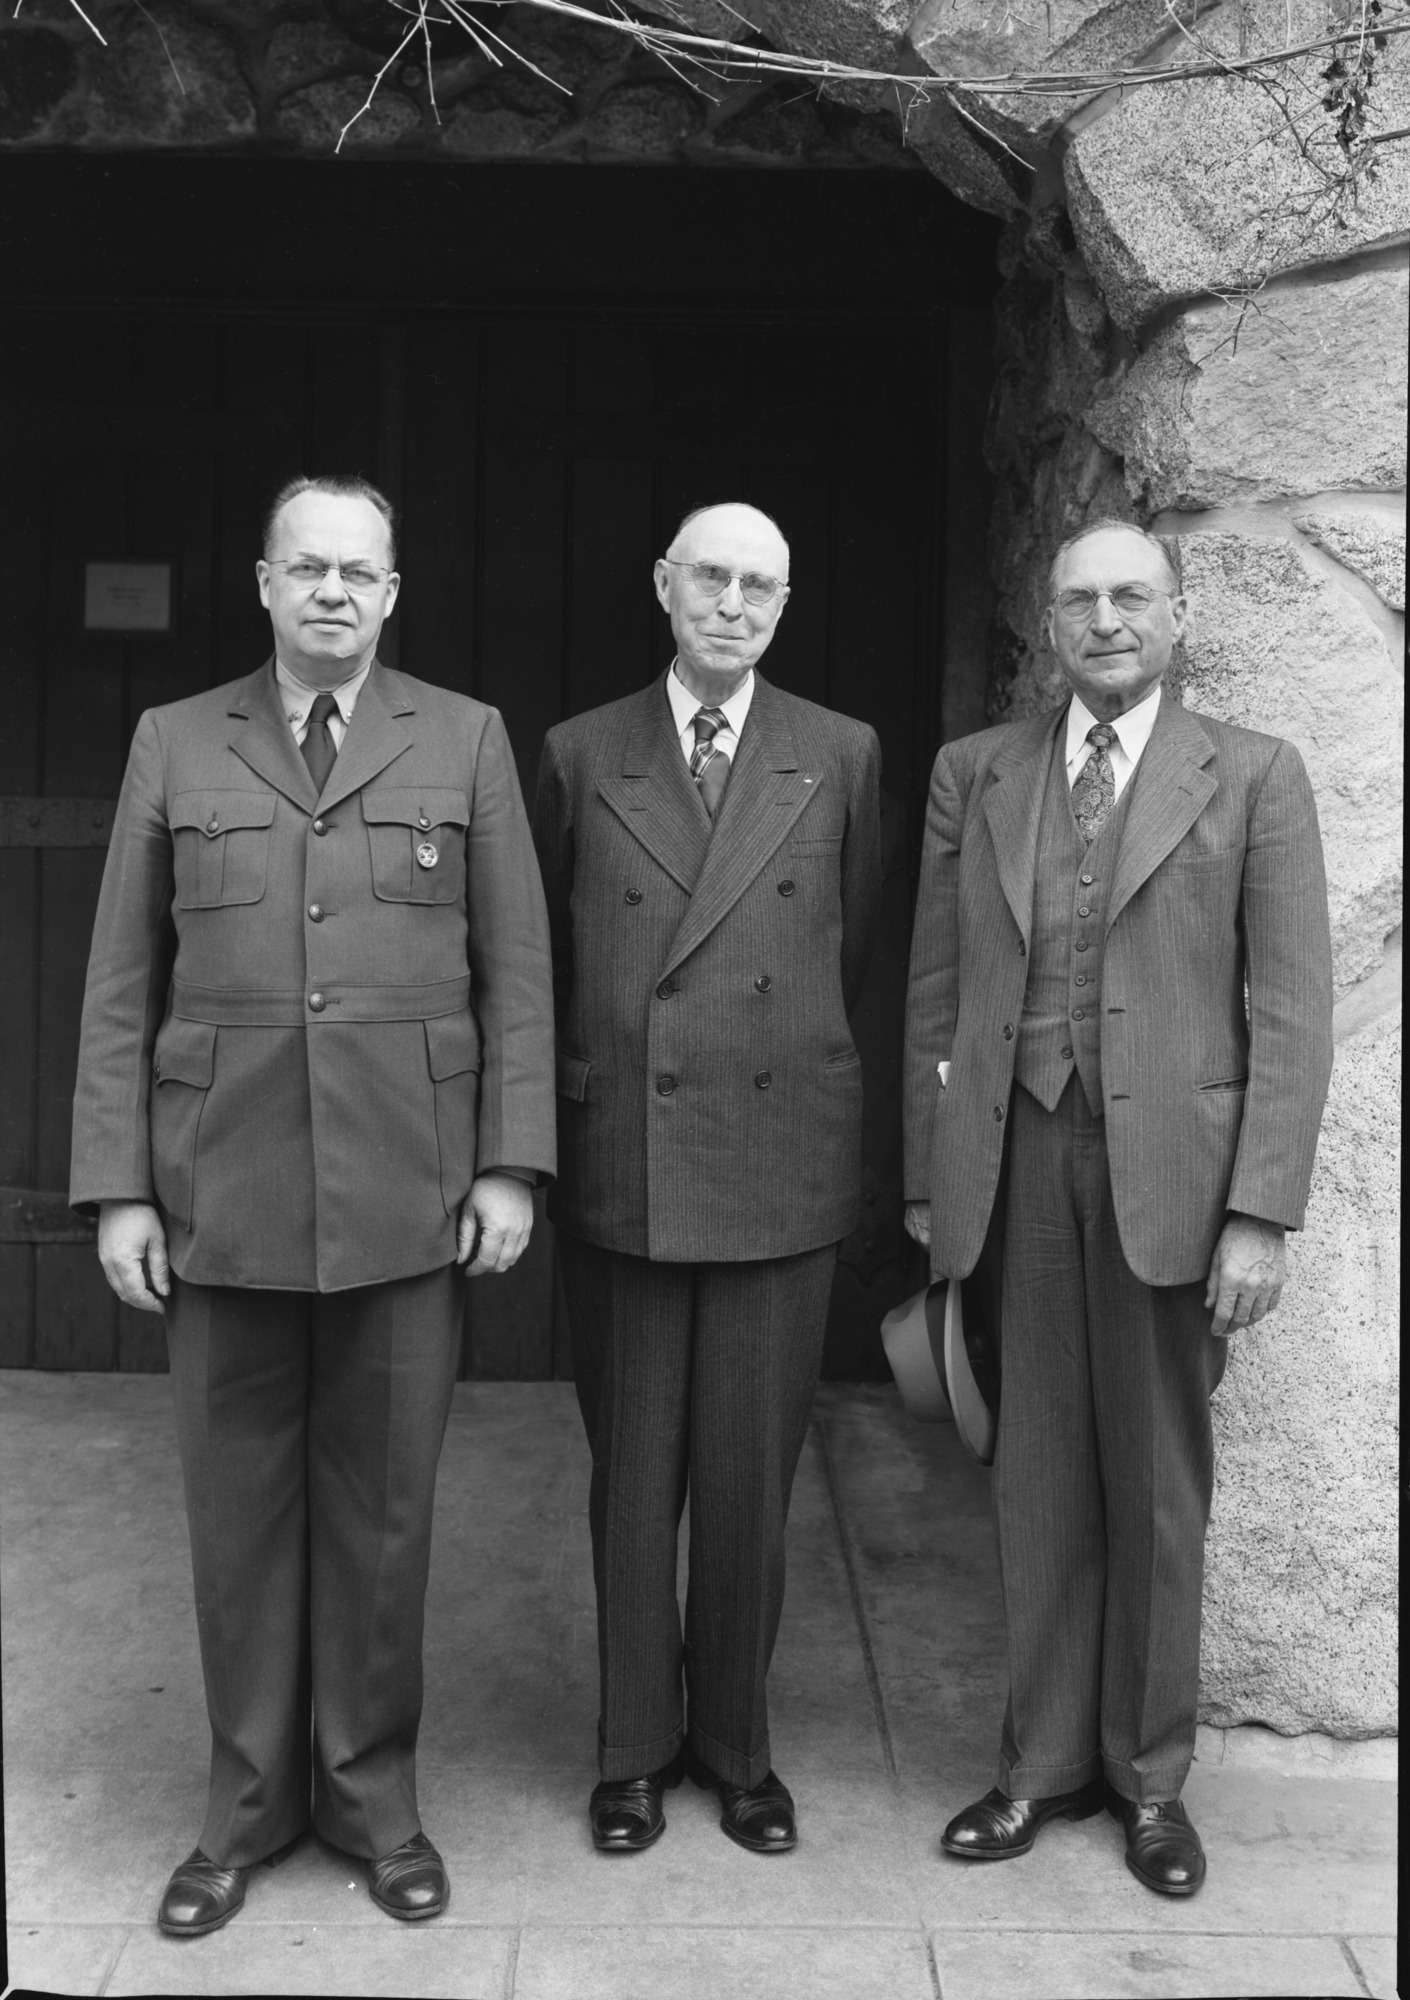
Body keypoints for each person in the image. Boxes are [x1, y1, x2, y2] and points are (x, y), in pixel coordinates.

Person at [69, 473, 556, 1935]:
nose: (334, 591)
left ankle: (371, 1803)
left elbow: (516, 973)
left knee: (385, 1519)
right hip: (222, 1195)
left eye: (360, 571)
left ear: (393, 595)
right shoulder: (175, 740)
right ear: (266, 587)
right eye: (309, 568)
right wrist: (117, 1191)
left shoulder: (464, 739)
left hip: (408, 1193)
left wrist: (506, 1162)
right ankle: (240, 1815)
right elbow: (115, 987)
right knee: (237, 1524)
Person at [902, 519, 1333, 1896]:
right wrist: (929, 1178)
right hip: (1016, 1160)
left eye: (1130, 596)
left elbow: (1287, 1003)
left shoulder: (1254, 775)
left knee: (1154, 1487)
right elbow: (930, 993)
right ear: (1046, 616)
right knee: (1033, 1473)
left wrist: (1259, 1210)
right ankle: (1037, 1767)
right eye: (1078, 597)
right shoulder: (975, 772)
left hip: (1174, 1181)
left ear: (1176, 613)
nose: (1103, 620)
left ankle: (1148, 1784)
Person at [533, 502, 881, 1855]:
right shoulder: (578, 752)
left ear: (781, 606)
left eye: (759, 587)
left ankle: (737, 1748)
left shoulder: (839, 754)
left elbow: (853, 944)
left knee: (748, 1478)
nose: (732, 604)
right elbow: (549, 959)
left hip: (773, 1162)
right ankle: (630, 1754)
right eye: (710, 580)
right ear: (663, 586)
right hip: (624, 1157)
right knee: (632, 1477)